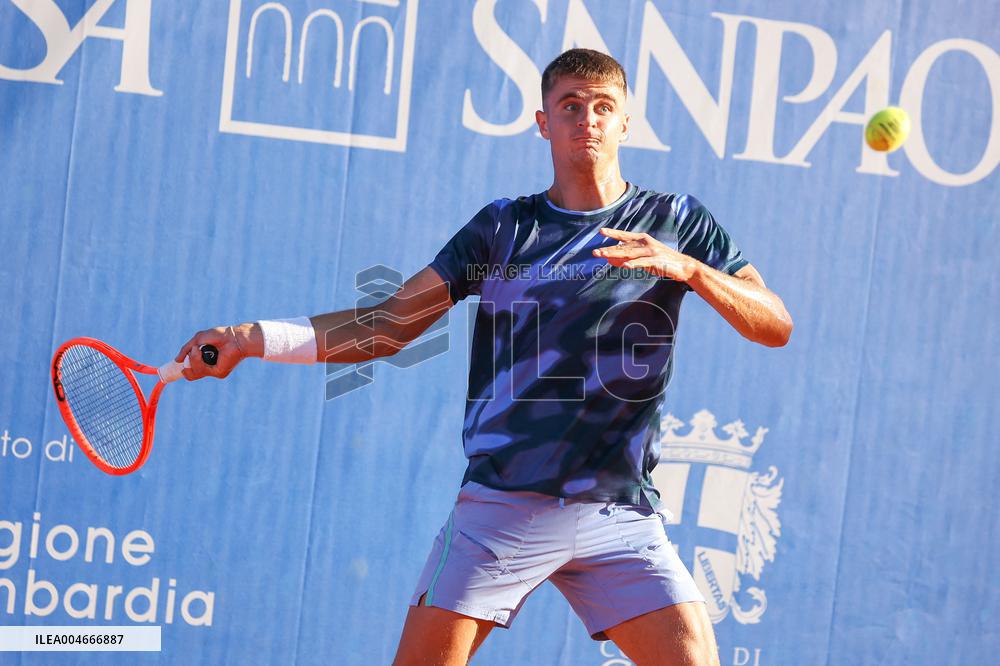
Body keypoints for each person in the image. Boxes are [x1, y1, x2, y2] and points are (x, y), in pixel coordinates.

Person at [176, 49, 792, 666]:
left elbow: (775, 325)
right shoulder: (501, 230)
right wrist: (250, 337)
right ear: (543, 122)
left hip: (619, 511)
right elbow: (390, 326)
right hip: (503, 504)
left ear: (626, 122)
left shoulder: (678, 222)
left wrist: (689, 268)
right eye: (570, 106)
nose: (588, 120)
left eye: (604, 106)